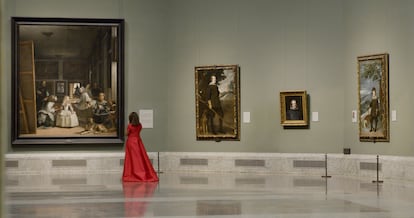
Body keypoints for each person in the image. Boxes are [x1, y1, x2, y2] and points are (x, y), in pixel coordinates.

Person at [122, 112, 159, 182]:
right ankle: (143, 172)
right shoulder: (140, 125)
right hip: (138, 141)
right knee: (141, 158)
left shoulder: (130, 126)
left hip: (131, 142)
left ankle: (133, 173)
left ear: (130, 118)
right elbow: (138, 131)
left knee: (131, 159)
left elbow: (127, 134)